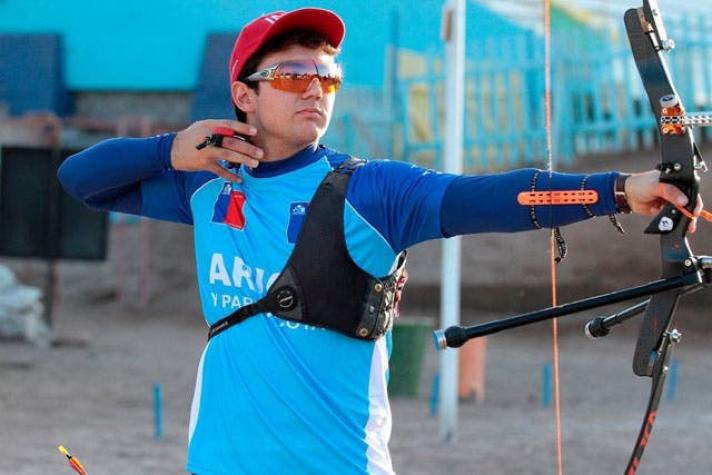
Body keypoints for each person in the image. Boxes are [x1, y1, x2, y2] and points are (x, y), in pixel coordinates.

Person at [57, 7, 702, 475]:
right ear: (241, 96)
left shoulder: (371, 192)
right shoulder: (206, 184)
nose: (314, 87)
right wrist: (170, 148)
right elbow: (80, 178)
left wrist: (617, 189)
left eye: (326, 76)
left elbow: (489, 197)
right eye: (290, 75)